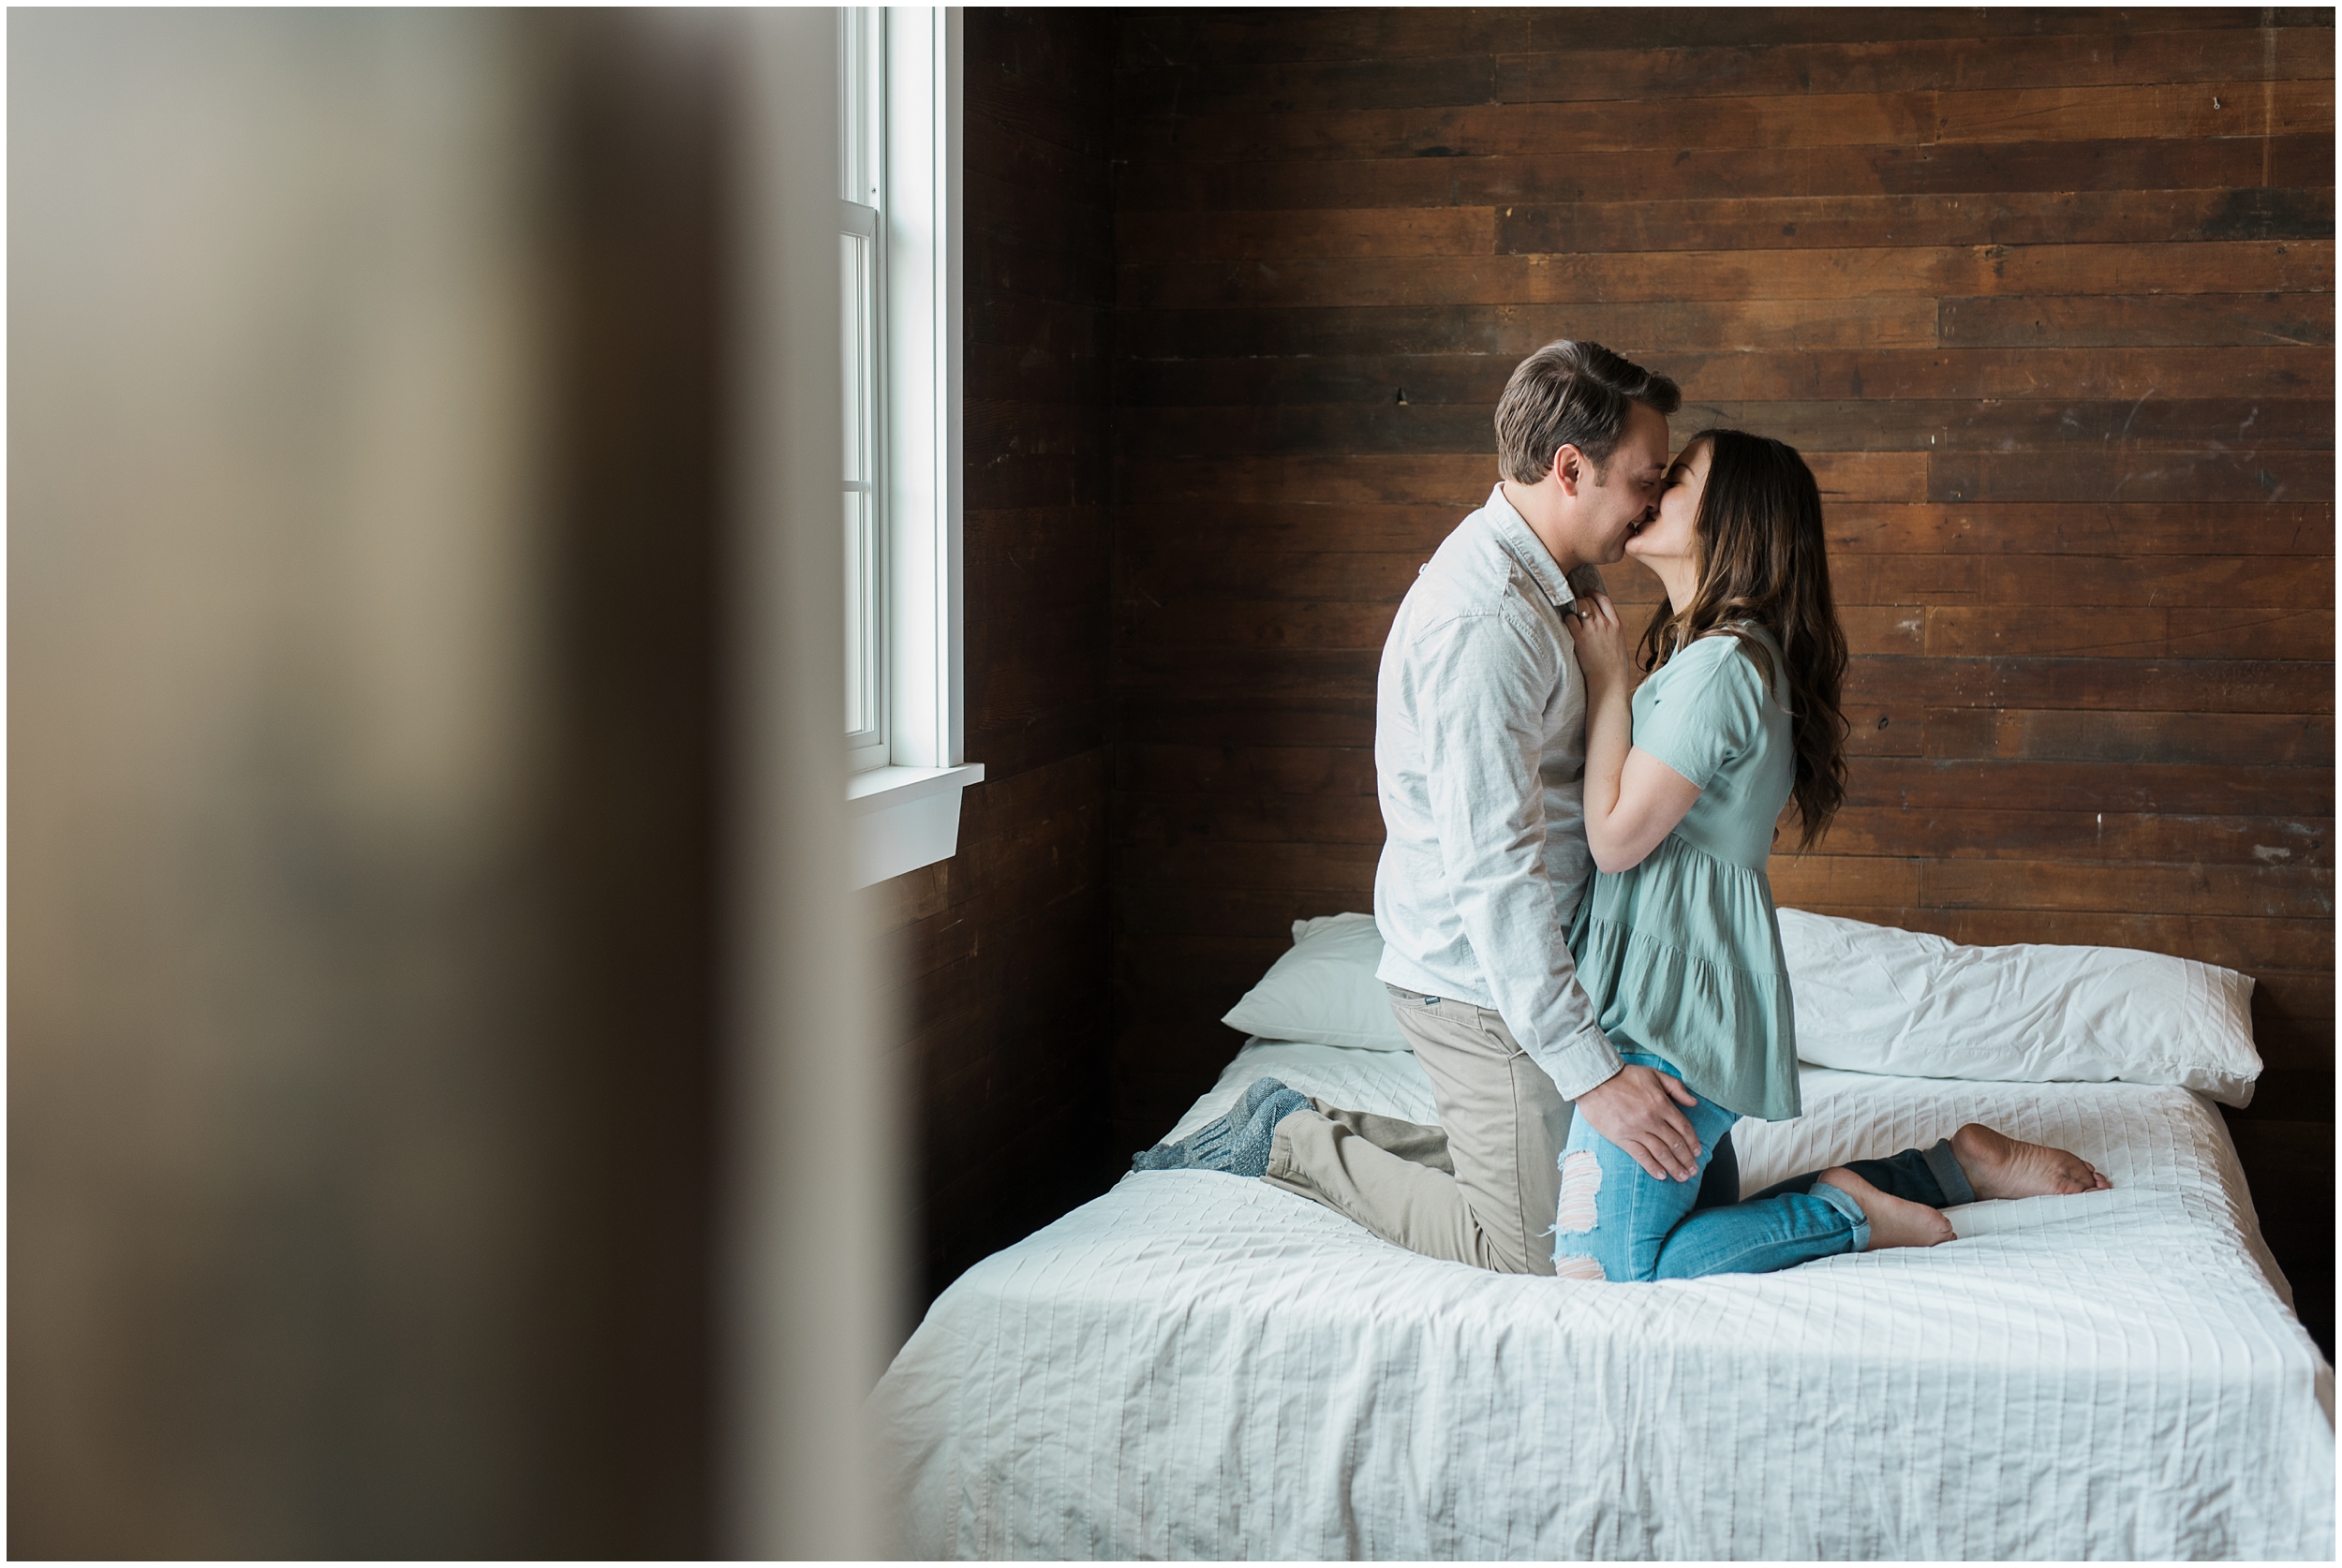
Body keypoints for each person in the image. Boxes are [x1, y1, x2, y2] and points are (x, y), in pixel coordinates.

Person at [1133, 343, 2105, 1275]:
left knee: (1648, 1202)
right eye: (1648, 475)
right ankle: (1291, 1134)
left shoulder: (1584, 587)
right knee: (1536, 1249)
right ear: (1569, 469)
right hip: (1487, 975)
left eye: (1668, 481)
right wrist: (1591, 1070)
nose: (1650, 495)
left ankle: (1936, 1171)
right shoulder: (1485, 626)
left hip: (1578, 969)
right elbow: (1495, 877)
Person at [1547, 428, 2107, 1281]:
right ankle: (1951, 1169)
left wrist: (1611, 681)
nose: (1654, 487)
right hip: (1673, 992)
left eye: (1679, 478)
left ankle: (1845, 1211)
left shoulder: (1721, 668)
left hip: (1674, 1007)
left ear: (1733, 518)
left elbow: (1617, 839)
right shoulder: (1718, 658)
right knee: (1690, 1227)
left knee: (1606, 1270)